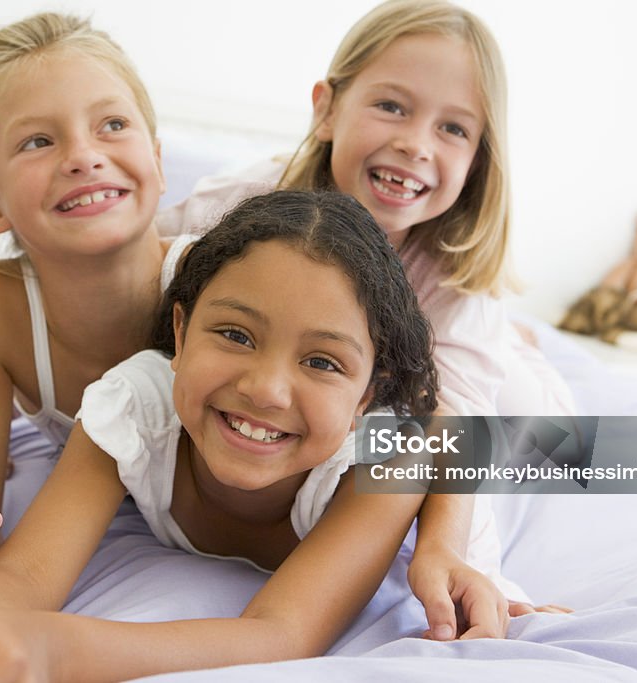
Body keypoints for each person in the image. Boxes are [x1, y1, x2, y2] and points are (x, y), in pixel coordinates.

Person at [0, 189, 458, 683]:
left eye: (322, 361)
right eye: (234, 334)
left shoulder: (391, 452)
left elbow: (280, 633)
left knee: (537, 443)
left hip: (440, 424)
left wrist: (48, 649)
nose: (266, 389)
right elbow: (19, 578)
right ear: (180, 331)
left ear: (368, 392)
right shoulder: (138, 402)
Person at [155, 0, 573, 633]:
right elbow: (141, 268)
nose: (415, 143)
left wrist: (455, 558)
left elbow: (449, 435)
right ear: (326, 109)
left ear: (479, 160)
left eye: (453, 129)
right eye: (392, 107)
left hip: (472, 381)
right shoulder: (242, 208)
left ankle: (519, 345)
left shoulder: (453, 284)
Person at [0, 12, 193, 586]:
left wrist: (425, 529)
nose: (82, 156)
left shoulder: (218, 278)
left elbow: (393, 429)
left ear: (157, 161)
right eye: (38, 140)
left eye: (111, 124)